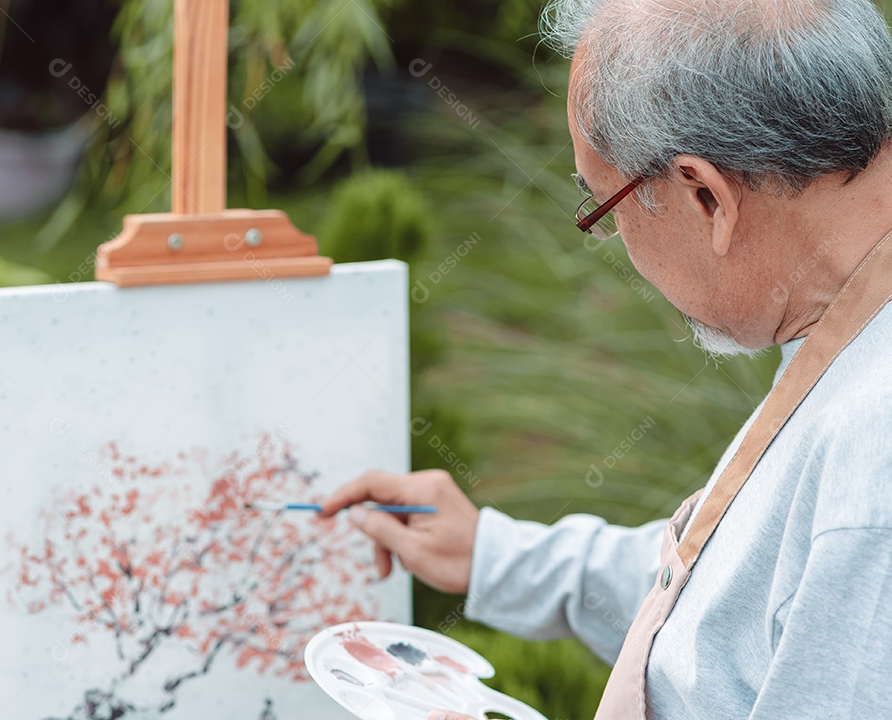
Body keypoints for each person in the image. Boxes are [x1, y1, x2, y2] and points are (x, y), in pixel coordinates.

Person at [321, 0, 892, 717]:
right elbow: (741, 593)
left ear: (706, 196)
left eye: (603, 209)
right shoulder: (850, 327)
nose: (615, 242)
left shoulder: (873, 455)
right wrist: (497, 556)